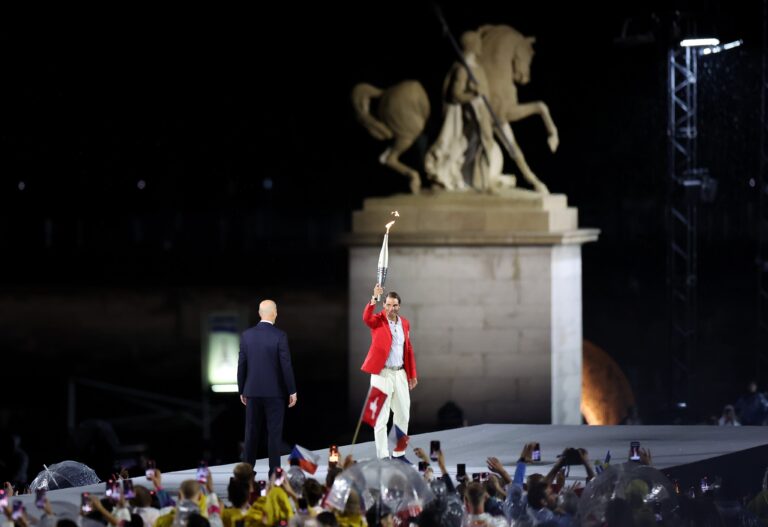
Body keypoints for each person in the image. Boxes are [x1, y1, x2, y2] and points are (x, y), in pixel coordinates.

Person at [238, 299, 297, 474]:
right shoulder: (280, 336)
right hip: (275, 393)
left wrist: (242, 389)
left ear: (259, 313)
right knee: (274, 434)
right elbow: (285, 365)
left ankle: (247, 471)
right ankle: (274, 473)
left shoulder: (247, 335)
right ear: (274, 313)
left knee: (251, 433)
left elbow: (242, 364)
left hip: (252, 391)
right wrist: (292, 390)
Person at [362, 284, 418, 460]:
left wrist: (412, 374)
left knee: (403, 414)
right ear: (384, 305)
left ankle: (399, 453)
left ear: (399, 306)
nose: (391, 308)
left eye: (394, 305)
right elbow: (366, 318)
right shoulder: (377, 320)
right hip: (381, 374)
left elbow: (408, 349)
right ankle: (383, 456)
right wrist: (374, 298)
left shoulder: (405, 323)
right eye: (387, 305)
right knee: (380, 417)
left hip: (399, 373)